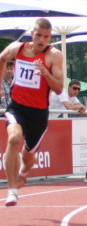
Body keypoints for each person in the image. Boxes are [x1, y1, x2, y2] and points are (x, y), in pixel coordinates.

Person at [0, 18, 64, 206]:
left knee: (28, 157)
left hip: (39, 113)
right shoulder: (17, 48)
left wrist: (45, 73)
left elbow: (60, 88)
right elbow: (2, 59)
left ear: (49, 37)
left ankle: (24, 172)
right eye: (38, 35)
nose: (41, 40)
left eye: (46, 36)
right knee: (13, 139)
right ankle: (12, 191)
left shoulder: (54, 55)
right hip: (17, 107)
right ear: (32, 34)